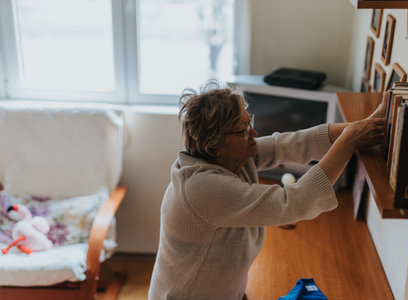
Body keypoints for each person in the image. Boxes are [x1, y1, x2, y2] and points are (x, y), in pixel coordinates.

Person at [148, 80, 386, 300]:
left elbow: (292, 143)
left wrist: (362, 126)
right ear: (216, 144)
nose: (253, 132)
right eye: (242, 130)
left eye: (248, 121)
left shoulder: (230, 158)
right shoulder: (202, 188)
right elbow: (294, 202)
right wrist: (349, 142)